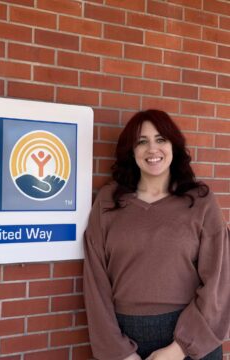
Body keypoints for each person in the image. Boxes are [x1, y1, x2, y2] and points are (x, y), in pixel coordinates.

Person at [83, 109, 230, 360]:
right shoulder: (107, 202)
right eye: (142, 141)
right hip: (125, 339)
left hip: (190, 340)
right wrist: (119, 353)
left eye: (161, 139)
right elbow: (95, 283)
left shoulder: (201, 202)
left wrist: (180, 348)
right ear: (132, 151)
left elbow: (220, 281)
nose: (153, 149)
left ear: (174, 145)